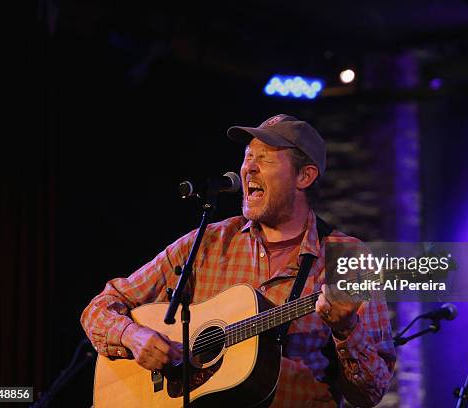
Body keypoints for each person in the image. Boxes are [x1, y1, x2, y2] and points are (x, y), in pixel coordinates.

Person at [81, 114, 396, 407]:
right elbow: (101, 307)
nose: (249, 168)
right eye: (248, 157)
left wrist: (345, 328)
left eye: (265, 158)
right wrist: (132, 336)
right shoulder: (207, 242)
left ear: (304, 176)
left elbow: (370, 392)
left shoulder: (349, 258)